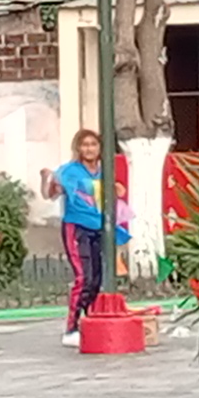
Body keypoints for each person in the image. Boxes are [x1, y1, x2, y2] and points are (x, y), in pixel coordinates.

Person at [53, 130, 123, 344]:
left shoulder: (104, 171)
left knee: (96, 278)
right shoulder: (70, 171)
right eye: (85, 144)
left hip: (98, 227)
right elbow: (54, 191)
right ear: (78, 148)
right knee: (83, 277)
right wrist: (51, 182)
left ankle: (89, 322)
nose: (89, 149)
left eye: (93, 144)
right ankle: (71, 328)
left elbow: (114, 194)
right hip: (77, 227)